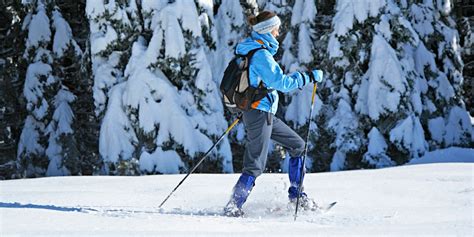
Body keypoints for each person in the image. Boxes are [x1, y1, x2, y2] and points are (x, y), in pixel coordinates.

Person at [223, 10, 324, 217]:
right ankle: (234, 206)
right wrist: (308, 77)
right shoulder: (260, 55)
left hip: (263, 112)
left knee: (298, 146)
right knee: (255, 165)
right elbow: (280, 83)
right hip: (259, 113)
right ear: (267, 31)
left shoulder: (253, 51)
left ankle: (297, 195)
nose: (278, 33)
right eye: (276, 29)